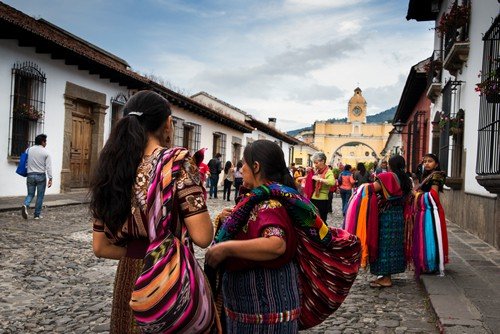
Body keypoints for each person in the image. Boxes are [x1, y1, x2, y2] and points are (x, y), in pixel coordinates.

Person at [89, 90, 215, 333]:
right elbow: (202, 237)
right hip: (168, 277)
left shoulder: (111, 167)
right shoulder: (178, 163)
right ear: (168, 123)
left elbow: (100, 247)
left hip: (129, 276)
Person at [368, 155, 413, 287]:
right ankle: (386, 275)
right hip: (399, 214)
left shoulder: (387, 177)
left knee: (384, 244)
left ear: (391, 165)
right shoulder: (406, 178)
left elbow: (372, 188)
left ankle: (386, 278)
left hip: (387, 215)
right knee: (394, 244)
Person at [412, 153, 448, 277]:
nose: (427, 163)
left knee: (430, 234)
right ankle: (424, 262)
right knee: (424, 236)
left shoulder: (436, 176)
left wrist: (417, 194)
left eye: (430, 161)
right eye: (425, 161)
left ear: (436, 164)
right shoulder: (425, 176)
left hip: (432, 210)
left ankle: (431, 264)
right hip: (423, 209)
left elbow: (433, 195)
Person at [21, 134, 52, 220]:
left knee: (30, 194)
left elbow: (24, 160)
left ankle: (25, 204)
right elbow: (48, 167)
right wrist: (50, 178)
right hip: (41, 176)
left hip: (30, 175)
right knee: (40, 196)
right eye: (45, 141)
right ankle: (37, 215)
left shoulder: (28, 150)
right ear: (42, 142)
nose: (46, 143)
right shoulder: (46, 152)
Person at [308, 153, 335, 223]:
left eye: (316, 163)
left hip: (322, 200)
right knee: (313, 221)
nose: (315, 165)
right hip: (313, 198)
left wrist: (319, 179)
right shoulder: (317, 171)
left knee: (321, 221)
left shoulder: (328, 172)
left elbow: (332, 182)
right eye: (314, 163)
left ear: (322, 161)